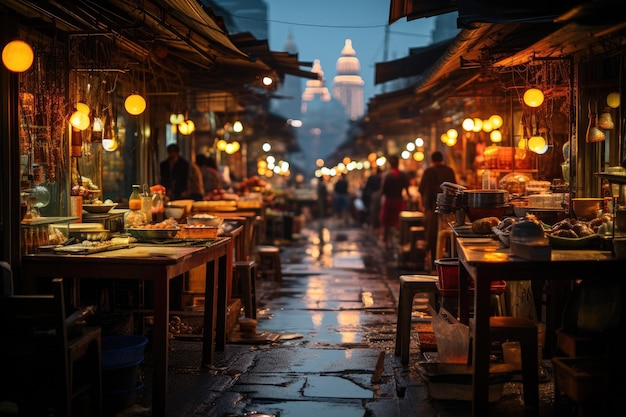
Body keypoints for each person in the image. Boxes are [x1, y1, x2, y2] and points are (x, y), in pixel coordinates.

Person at [418, 150, 457, 270]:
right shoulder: (449, 170)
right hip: (450, 209)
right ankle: (452, 261)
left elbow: (420, 189)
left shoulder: (429, 171)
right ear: (442, 159)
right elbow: (455, 188)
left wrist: (423, 206)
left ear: (432, 161)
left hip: (433, 208)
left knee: (433, 235)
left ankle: (434, 264)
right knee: (451, 235)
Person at [379, 155, 410, 250]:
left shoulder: (387, 176)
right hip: (399, 201)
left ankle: (386, 242)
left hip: (389, 201)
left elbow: (382, 191)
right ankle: (400, 241)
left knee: (386, 223)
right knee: (399, 223)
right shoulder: (403, 175)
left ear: (389, 164)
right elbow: (407, 191)